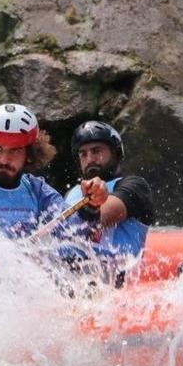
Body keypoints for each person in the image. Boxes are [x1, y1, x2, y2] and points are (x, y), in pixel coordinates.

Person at [0, 104, 108, 263]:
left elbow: (75, 234)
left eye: (15, 150)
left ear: (30, 155)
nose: (4, 159)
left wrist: (91, 207)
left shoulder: (36, 190)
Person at [63, 121, 155, 284]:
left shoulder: (135, 186)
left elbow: (101, 217)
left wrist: (90, 208)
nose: (90, 159)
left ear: (115, 153)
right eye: (83, 154)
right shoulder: (71, 194)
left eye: (96, 151)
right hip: (73, 278)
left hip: (117, 283)